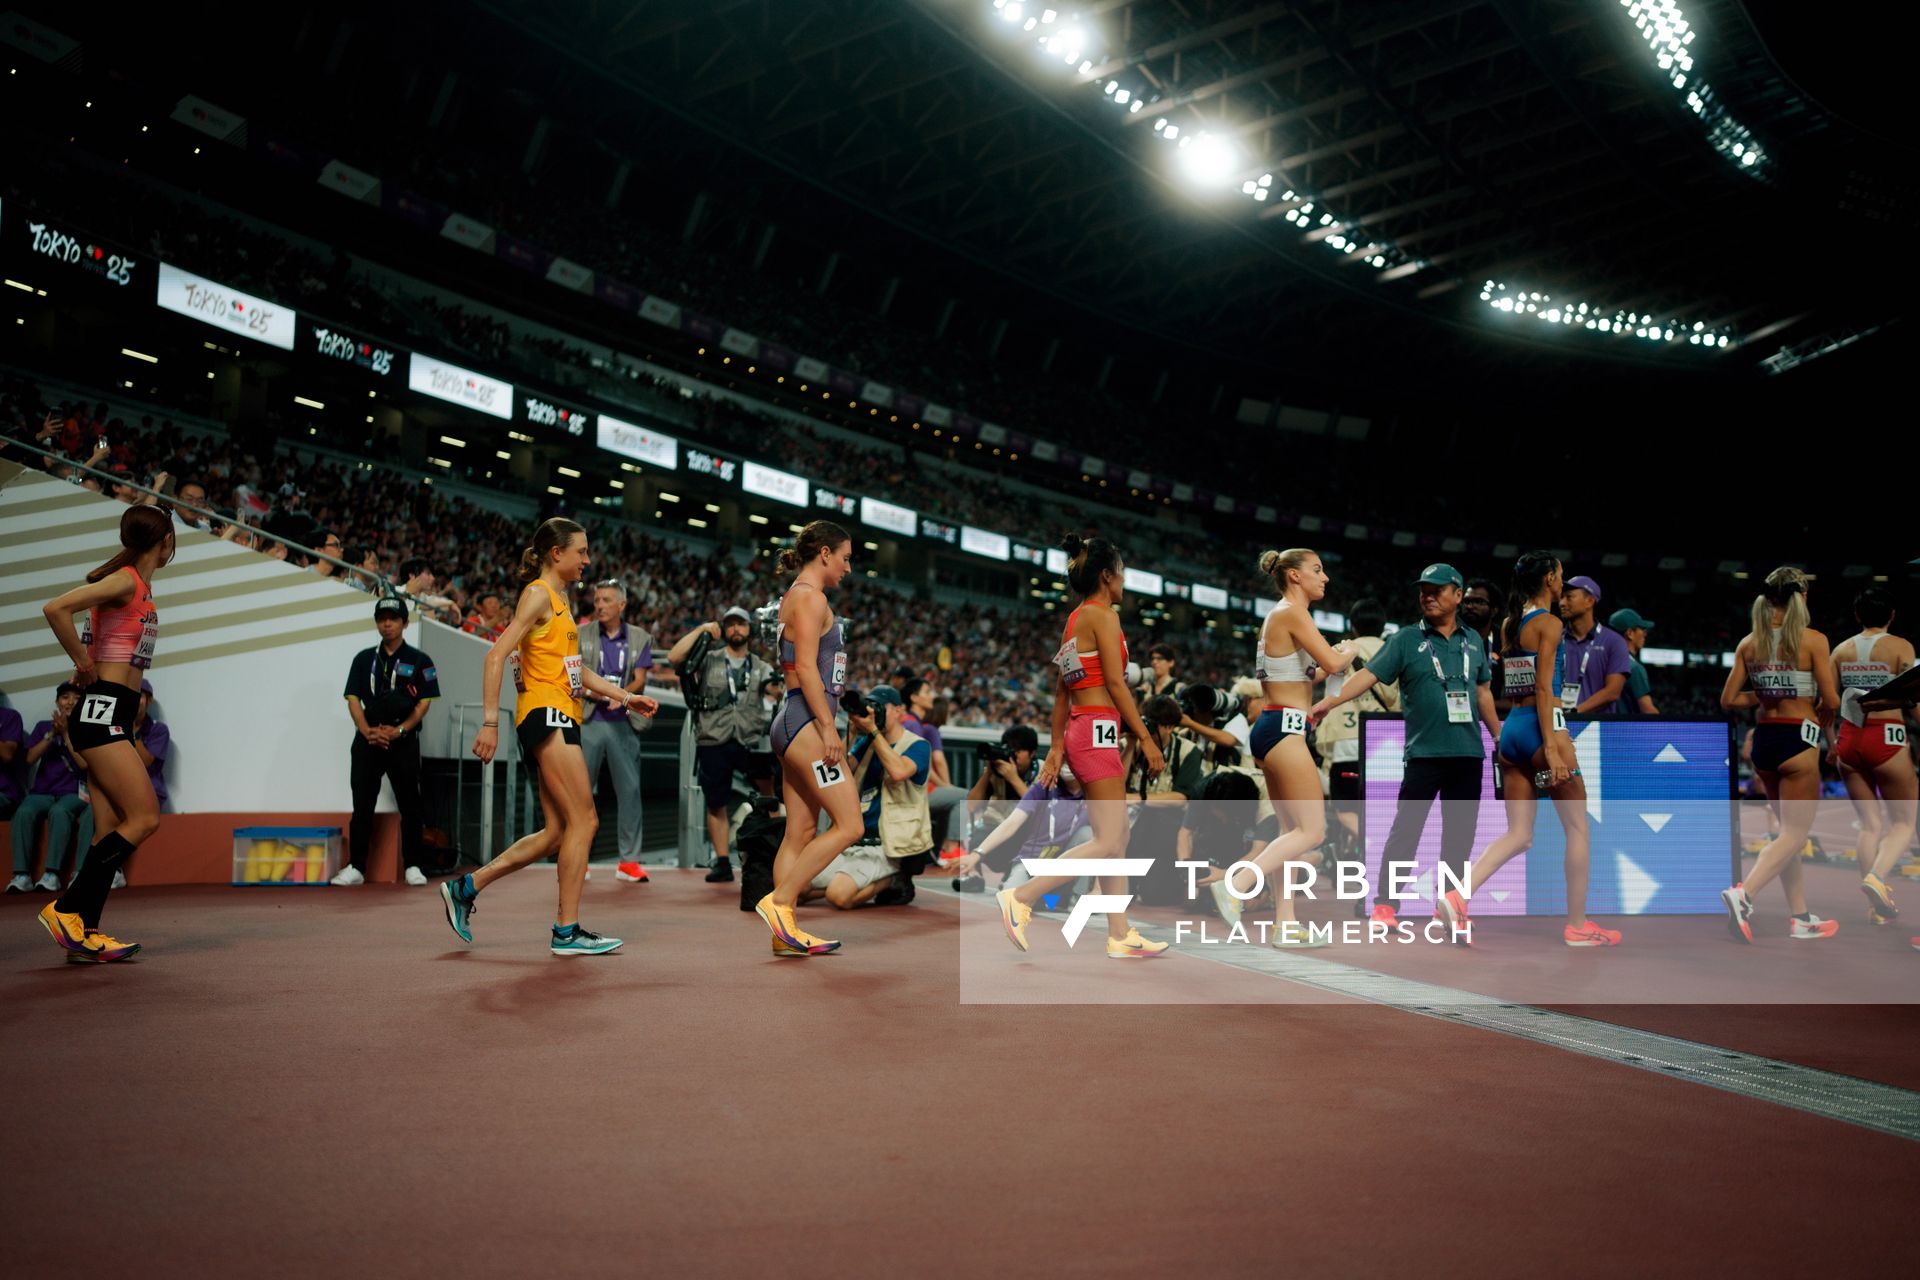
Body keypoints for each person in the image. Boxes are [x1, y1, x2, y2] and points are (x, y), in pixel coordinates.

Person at [439, 518, 659, 956]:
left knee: (557, 831)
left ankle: (466, 888)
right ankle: (566, 931)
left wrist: (624, 696)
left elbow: (578, 669)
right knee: (587, 821)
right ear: (556, 553)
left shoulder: (558, 602)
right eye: (581, 551)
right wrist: (489, 721)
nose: (587, 560)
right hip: (547, 714)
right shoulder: (539, 594)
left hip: (559, 715)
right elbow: (496, 654)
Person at [997, 533, 1169, 959]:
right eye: (1123, 572)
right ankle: (1022, 896)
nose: (1125, 580)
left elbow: (1061, 692)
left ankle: (1120, 933)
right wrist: (1146, 739)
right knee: (1110, 838)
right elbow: (1113, 682)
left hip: (1084, 728)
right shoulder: (1104, 616)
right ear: (1108, 576)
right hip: (1095, 730)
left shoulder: (1076, 619)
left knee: (1118, 837)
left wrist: (1057, 747)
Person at [1439, 552, 1621, 947]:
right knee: (1577, 828)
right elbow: (1544, 690)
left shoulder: (1509, 624)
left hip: (1513, 733)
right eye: (1560, 574)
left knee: (1519, 834)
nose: (1563, 581)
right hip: (1543, 731)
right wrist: (1554, 750)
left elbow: (1515, 687)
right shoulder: (1550, 624)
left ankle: (1457, 896)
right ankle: (1577, 925)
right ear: (1551, 578)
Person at [1311, 563, 1502, 927]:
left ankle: (1450, 907)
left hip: (1468, 754)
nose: (1427, 596)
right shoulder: (1405, 640)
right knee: (1406, 830)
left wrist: (1497, 735)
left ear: (1458, 596)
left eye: (1437, 590)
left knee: (1459, 839)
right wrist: (1329, 702)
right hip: (1424, 754)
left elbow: (1482, 691)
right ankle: (1385, 905)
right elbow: (1367, 676)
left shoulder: (1474, 641)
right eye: (1423, 590)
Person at [33, 504, 177, 962]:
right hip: (102, 713)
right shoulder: (126, 581)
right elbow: (55, 608)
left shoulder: (139, 586)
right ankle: (67, 910)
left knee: (109, 828)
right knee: (145, 818)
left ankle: (83, 935)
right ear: (167, 541)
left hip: (109, 710)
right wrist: (83, 662)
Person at [1200, 549, 1356, 947]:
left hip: (1274, 727)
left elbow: (1312, 674)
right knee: (1313, 830)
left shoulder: (1281, 617)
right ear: (1293, 576)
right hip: (1284, 730)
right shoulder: (1291, 613)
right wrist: (1350, 651)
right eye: (1317, 570)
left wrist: (1334, 661)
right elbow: (1335, 666)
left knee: (1289, 831)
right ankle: (1238, 884)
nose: (1325, 578)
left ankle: (1286, 924)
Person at [755, 521, 862, 956]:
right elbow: (805, 670)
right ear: (823, 553)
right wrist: (828, 729)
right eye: (845, 557)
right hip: (805, 723)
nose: (848, 568)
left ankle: (784, 933)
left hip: (790, 722)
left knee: (799, 832)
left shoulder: (793, 597)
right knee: (851, 825)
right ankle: (779, 903)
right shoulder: (811, 598)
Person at [1719, 566, 1841, 943]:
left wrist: (1765, 692)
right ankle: (1746, 894)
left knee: (1788, 835)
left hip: (1765, 743)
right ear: (1801, 598)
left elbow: (1728, 700)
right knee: (1794, 833)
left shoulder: (1748, 643)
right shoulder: (1813, 640)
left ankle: (1801, 916)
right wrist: (1817, 705)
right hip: (1798, 742)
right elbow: (1833, 699)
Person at [332, 598, 439, 887]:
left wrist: (400, 731)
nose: (387, 624)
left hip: (401, 742)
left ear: (405, 623)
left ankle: (413, 865)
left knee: (410, 804)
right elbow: (353, 698)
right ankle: (356, 867)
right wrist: (366, 730)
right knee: (362, 805)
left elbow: (424, 703)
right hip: (367, 740)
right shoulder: (363, 659)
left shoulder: (420, 660)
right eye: (382, 619)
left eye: (393, 619)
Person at [667, 605, 777, 884]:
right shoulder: (709, 659)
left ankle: (774, 855)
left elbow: (777, 692)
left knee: (770, 797)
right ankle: (723, 861)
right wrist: (702, 629)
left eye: (741, 624)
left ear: (750, 629)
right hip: (713, 738)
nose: (735, 629)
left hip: (751, 740)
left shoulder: (762, 666)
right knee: (716, 803)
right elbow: (674, 657)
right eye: (730, 624)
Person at [802, 685, 931, 910]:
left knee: (838, 897)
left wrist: (873, 731)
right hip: (852, 842)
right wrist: (851, 734)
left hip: (886, 846)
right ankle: (847, 883)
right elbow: (836, 770)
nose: (873, 711)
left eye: (880, 707)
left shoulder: (918, 745)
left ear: (900, 711)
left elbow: (899, 771)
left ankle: (893, 878)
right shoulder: (866, 743)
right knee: (799, 886)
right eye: (870, 705)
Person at [1830, 587, 1914, 925]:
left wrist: (1828, 743)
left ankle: (1875, 909)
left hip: (1848, 739)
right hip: (1887, 737)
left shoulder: (1840, 651)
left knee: (1869, 825)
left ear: (1857, 616)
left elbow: (1828, 703)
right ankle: (1877, 877)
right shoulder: (1901, 647)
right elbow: (1916, 700)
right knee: (1904, 822)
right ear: (1891, 616)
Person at [578, 579, 656, 884]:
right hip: (588, 719)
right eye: (597, 600)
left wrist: (620, 695)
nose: (599, 605)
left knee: (630, 791)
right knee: (581, 793)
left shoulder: (639, 637)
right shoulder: (580, 633)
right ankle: (578, 858)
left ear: (621, 605)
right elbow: (573, 674)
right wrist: (601, 695)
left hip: (623, 721)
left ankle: (628, 862)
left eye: (606, 600)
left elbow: (640, 679)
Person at [1314, 598, 1399, 876]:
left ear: (1351, 625)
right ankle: (1385, 849)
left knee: (1345, 808)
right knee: (1385, 809)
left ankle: (1374, 846)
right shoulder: (1395, 649)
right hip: (1389, 740)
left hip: (1348, 741)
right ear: (1383, 626)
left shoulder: (1343, 649)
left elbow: (1328, 686)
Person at [76, 679, 170, 891]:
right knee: (124, 821)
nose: (136, 702)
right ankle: (80, 885)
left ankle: (85, 914)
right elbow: (86, 758)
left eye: (140, 696)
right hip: (102, 747)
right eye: (132, 696)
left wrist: (129, 730)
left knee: (139, 819)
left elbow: (146, 760)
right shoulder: (108, 712)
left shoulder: (156, 729)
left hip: (145, 787)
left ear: (149, 700)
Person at [8, 683, 93, 894]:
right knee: (24, 811)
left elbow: (84, 763)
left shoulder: (88, 727)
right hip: (43, 792)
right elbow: (29, 758)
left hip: (74, 792)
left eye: (76, 697)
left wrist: (65, 734)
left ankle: (52, 874)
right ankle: (22, 876)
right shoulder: (43, 726)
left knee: (60, 812)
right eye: (65, 697)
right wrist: (52, 734)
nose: (70, 701)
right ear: (57, 702)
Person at [903, 676, 968, 854]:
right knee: (966, 796)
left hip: (911, 790)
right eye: (927, 692)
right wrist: (945, 785)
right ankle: (949, 848)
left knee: (955, 797)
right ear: (914, 698)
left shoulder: (914, 723)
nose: (931, 696)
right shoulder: (914, 724)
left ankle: (942, 848)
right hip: (917, 792)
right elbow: (928, 764)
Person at [1557, 575, 1632, 715]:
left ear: (1589, 601)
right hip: (1557, 726)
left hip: (1598, 730)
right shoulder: (1555, 639)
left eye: (1569, 597)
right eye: (1561, 597)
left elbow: (1612, 692)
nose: (1561, 603)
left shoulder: (1614, 642)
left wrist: (1574, 713)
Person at [1608, 608, 1660, 714]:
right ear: (1630, 633)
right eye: (1641, 629)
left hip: (1603, 727)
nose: (1645, 634)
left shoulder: (1605, 662)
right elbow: (1648, 711)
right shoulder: (1633, 667)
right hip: (1627, 729)